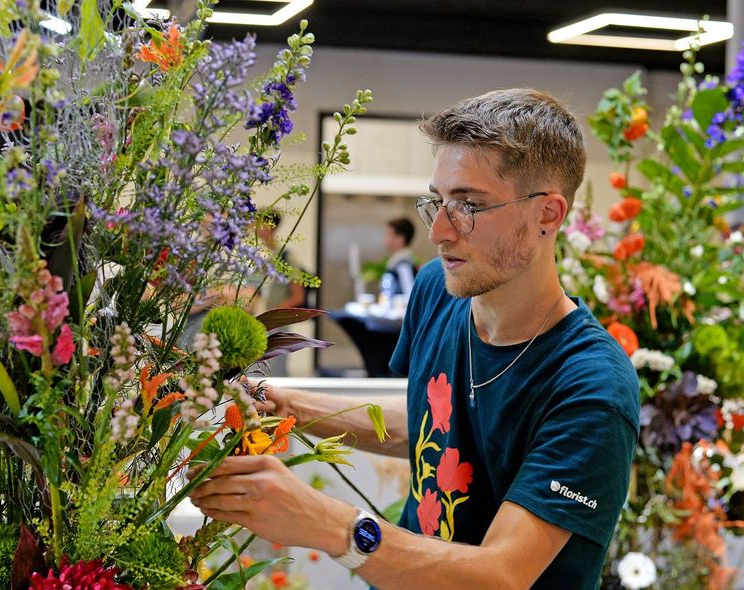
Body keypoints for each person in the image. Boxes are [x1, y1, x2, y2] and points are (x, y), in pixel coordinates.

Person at [189, 89, 640, 589]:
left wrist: (329, 524)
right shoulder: (437, 290)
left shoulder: (592, 387)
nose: (440, 231)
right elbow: (428, 420)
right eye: (438, 202)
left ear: (548, 215)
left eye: (469, 205)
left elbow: (503, 574)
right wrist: (287, 404)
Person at [380, 217, 417, 298]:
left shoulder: (404, 263)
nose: (385, 240)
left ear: (400, 238)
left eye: (389, 235)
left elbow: (409, 293)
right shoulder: (397, 260)